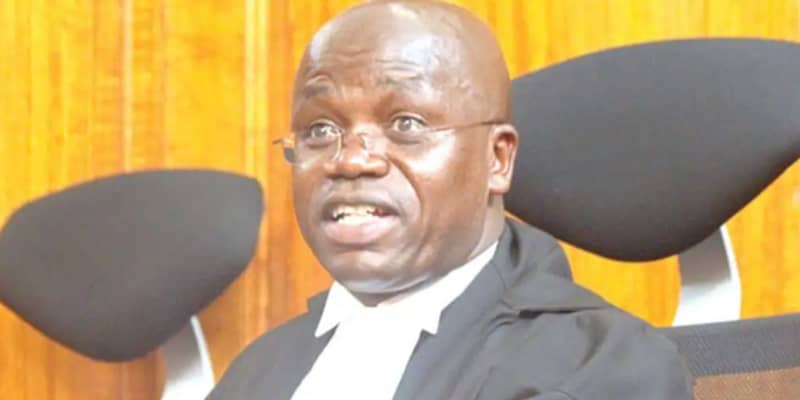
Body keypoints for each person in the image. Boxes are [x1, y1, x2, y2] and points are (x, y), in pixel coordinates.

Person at [208, 1, 692, 399]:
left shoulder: (601, 368)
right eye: (319, 129)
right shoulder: (257, 371)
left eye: (406, 124)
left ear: (496, 159)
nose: (351, 159)